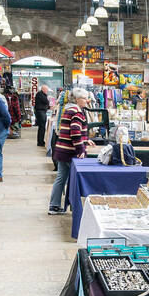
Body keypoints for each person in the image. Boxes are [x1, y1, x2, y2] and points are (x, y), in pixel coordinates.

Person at [49, 87, 91, 215]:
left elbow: (72, 130)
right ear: (78, 100)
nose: (87, 101)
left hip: (62, 149)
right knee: (74, 180)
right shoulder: (77, 112)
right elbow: (75, 132)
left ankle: (54, 206)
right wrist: (81, 149)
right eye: (85, 98)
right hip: (70, 151)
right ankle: (75, 207)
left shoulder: (69, 110)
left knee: (61, 178)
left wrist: (86, 140)